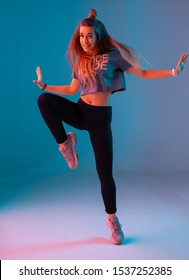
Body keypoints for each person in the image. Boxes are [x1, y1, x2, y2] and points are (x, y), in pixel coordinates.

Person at [33, 9, 188, 245]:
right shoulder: (80, 60)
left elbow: (143, 73)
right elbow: (72, 89)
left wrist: (174, 71)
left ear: (98, 37)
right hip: (81, 110)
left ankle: (113, 221)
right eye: (81, 36)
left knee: (104, 173)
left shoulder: (113, 56)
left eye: (89, 36)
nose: (84, 41)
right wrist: (45, 86)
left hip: (99, 118)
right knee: (44, 101)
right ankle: (66, 143)